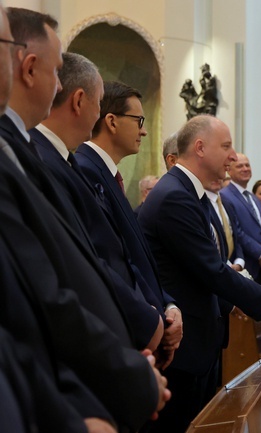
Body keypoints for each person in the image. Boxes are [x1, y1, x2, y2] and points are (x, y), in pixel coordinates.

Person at [138, 115, 261, 433]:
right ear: (200, 148)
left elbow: (212, 268)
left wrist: (242, 302)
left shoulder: (189, 193)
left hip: (200, 343)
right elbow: (212, 270)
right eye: (226, 146)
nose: (232, 155)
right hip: (181, 349)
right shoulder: (175, 196)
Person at [28, 52, 167, 354]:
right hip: (103, 335)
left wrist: (159, 307)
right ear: (80, 101)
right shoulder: (45, 160)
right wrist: (147, 321)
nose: (143, 130)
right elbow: (85, 260)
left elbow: (124, 253)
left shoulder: (66, 160)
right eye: (98, 101)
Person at [75, 81, 182, 364]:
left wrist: (167, 305)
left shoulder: (105, 173)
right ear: (111, 121)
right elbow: (108, 261)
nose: (144, 130)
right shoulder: (85, 171)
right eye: (138, 120)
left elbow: (136, 257)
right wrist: (151, 322)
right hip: (126, 334)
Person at [220, 153, 261, 285]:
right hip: (245, 265)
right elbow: (236, 231)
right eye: (240, 166)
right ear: (229, 171)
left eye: (247, 165)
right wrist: (260, 254)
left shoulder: (253, 197)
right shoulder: (225, 196)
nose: (245, 169)